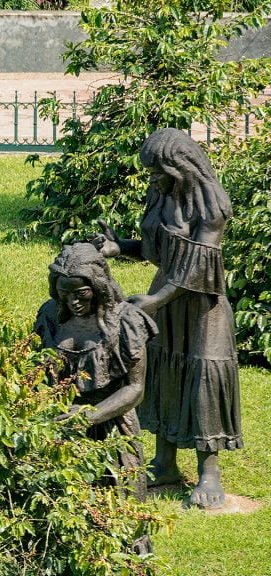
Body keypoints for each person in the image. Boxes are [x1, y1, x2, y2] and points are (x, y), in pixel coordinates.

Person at [94, 128, 241, 510]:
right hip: (165, 295)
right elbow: (153, 248)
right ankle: (165, 463)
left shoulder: (212, 206)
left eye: (158, 171)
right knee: (161, 372)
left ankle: (209, 473)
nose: (152, 179)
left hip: (202, 304)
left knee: (202, 378)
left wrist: (158, 299)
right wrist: (118, 247)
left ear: (182, 167)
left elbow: (200, 261)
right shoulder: (161, 196)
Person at [34, 243, 157, 552]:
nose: (73, 301)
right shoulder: (51, 316)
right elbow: (36, 371)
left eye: (81, 294)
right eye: (65, 293)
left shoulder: (127, 322)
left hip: (113, 427)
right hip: (61, 424)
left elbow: (135, 389)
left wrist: (89, 416)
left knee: (121, 508)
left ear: (98, 287)